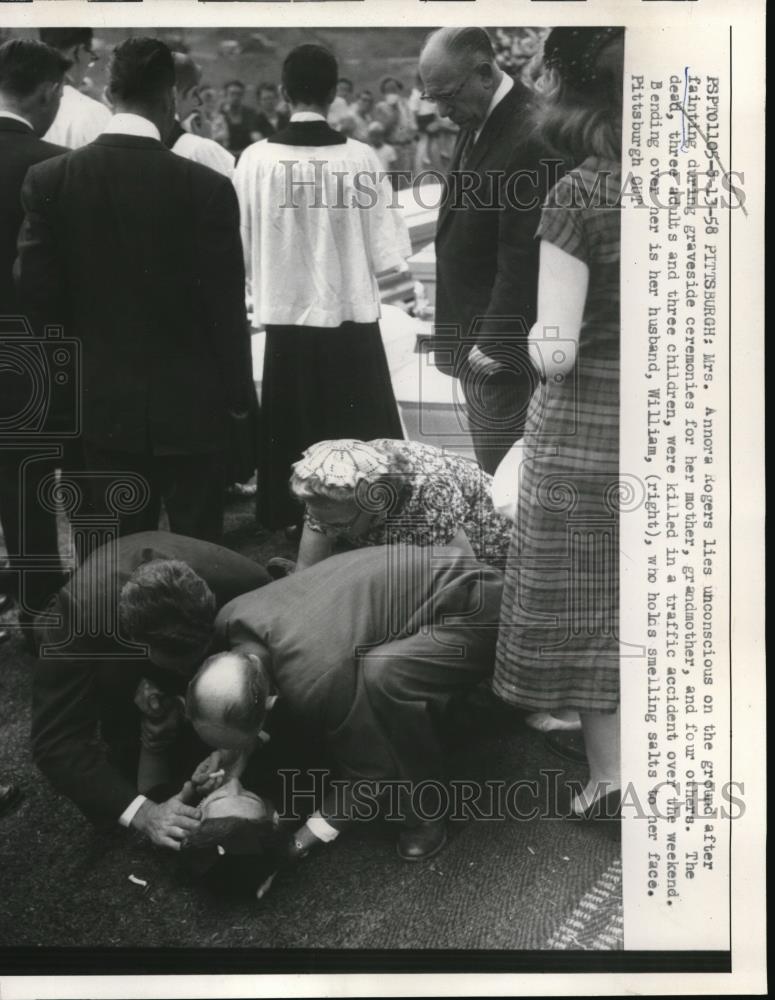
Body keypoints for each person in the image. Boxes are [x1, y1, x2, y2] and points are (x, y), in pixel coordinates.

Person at [16, 38, 255, 547]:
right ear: (171, 96)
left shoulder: (51, 180)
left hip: (98, 411)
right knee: (197, 559)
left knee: (108, 564)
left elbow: (37, 300)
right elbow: (226, 316)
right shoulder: (206, 188)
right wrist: (240, 412)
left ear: (108, 90)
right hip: (193, 411)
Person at [492, 28, 625, 819]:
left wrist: (528, 333)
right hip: (673, 423)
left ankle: (608, 780)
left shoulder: (576, 193)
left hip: (584, 433)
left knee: (588, 606)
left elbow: (556, 351)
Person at [192, 543, 504, 860]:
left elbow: (370, 776)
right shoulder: (232, 617)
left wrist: (297, 843)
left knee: (385, 676)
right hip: (442, 577)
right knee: (374, 675)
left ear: (262, 717)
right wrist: (231, 752)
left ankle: (427, 810)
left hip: (480, 607)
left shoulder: (318, 678)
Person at [233, 44, 409, 531]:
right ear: (334, 93)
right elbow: (386, 250)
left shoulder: (253, 160)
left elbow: (240, 246)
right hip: (349, 319)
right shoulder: (361, 159)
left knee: (291, 431)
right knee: (364, 442)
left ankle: (289, 517)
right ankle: (373, 518)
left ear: (284, 93)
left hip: (288, 323)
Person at [31, 530, 270, 845]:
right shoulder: (80, 612)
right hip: (107, 631)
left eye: (198, 662)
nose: (190, 676)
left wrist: (241, 732)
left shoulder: (244, 580)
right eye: (181, 668)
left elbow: (271, 638)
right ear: (137, 645)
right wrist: (145, 814)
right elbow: (55, 742)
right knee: (124, 762)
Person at [419, 27, 561, 474]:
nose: (441, 111)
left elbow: (525, 250)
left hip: (501, 353)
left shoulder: (529, 133)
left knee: (504, 479)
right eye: (432, 99)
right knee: (491, 469)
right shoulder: (481, 116)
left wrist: (496, 342)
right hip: (475, 335)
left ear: (483, 73)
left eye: (446, 96)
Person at [0, 39, 69, 645]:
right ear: (47, 92)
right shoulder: (55, 164)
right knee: (27, 482)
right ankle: (35, 602)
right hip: (27, 345)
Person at [288, 438, 512, 570]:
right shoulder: (332, 485)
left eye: (338, 525)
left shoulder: (428, 497)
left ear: (376, 505)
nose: (325, 529)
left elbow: (467, 574)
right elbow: (305, 571)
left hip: (488, 537)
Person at [39, 28, 110, 148]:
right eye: (91, 57)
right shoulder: (94, 112)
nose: (89, 64)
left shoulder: (23, 103)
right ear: (77, 51)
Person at [170, 52, 235, 177]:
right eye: (195, 93)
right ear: (174, 94)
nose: (198, 102)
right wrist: (206, 143)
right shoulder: (201, 149)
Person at [373, 76, 415, 186]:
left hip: (407, 146)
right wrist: (394, 113)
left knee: (408, 182)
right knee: (394, 182)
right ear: (384, 92)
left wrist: (403, 127)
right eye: (388, 90)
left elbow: (408, 126)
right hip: (392, 147)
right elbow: (382, 130)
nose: (392, 92)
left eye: (394, 89)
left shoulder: (405, 104)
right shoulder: (380, 107)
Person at [221, 79, 261, 157]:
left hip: (248, 156)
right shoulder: (220, 115)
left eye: (239, 94)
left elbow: (256, 138)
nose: (236, 97)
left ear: (242, 96)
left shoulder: (251, 114)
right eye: (232, 94)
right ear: (226, 95)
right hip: (224, 156)